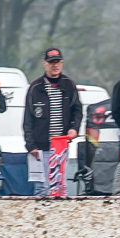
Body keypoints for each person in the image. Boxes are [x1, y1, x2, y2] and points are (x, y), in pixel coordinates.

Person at [23, 48, 82, 196]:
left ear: (61, 63)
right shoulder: (35, 87)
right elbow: (27, 119)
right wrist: (30, 145)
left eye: (57, 62)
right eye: (51, 63)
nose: (54, 66)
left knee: (60, 186)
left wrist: (74, 128)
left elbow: (78, 110)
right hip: (40, 147)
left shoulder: (69, 85)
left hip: (61, 146)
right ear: (44, 64)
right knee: (41, 188)